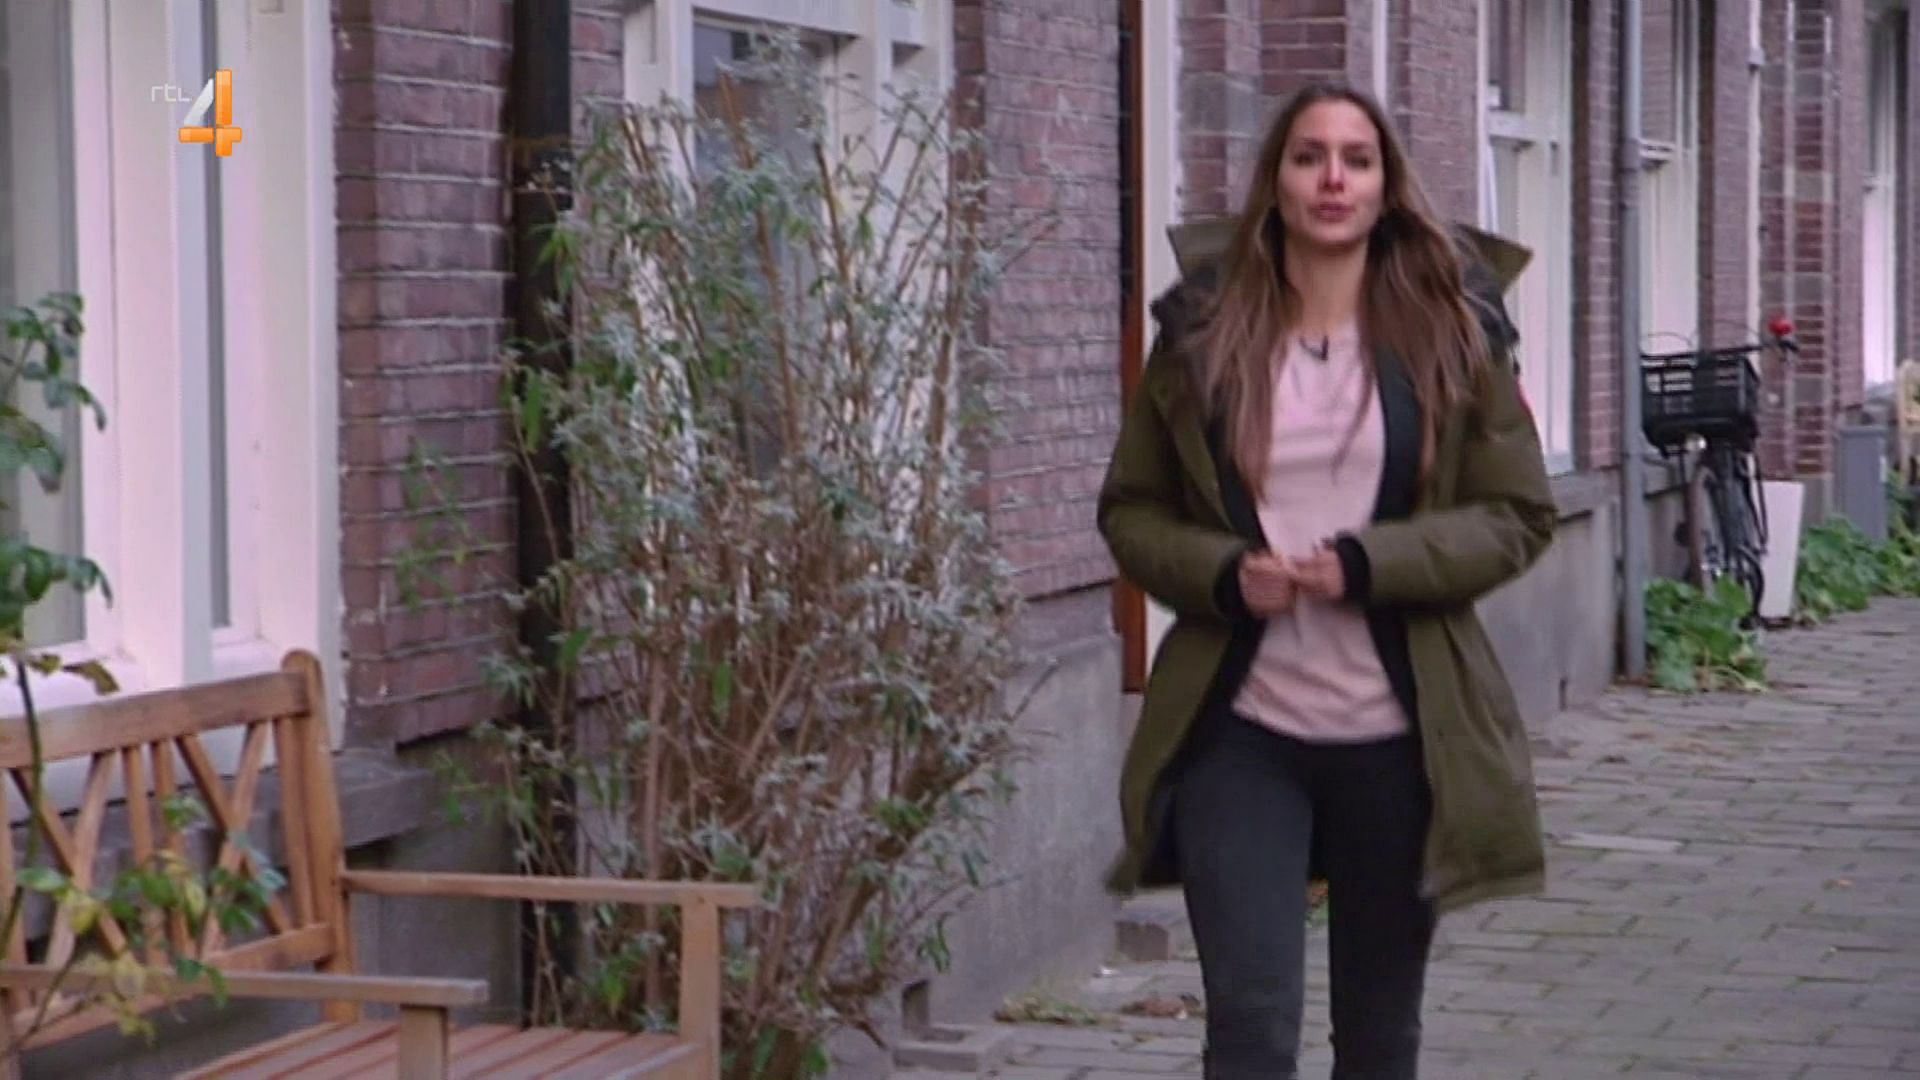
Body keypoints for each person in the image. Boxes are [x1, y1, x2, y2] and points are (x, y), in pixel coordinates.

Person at [1096, 83, 1557, 1079]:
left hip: (1401, 739)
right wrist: (1224, 574)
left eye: (1357, 158)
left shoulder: (1454, 330)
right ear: (1277, 181)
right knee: (1253, 1031)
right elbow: (1132, 511)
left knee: (1380, 1040)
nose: (1333, 179)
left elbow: (1518, 514)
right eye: (1309, 157)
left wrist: (1367, 563)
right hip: (1241, 735)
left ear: (1387, 185)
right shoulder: (1202, 331)